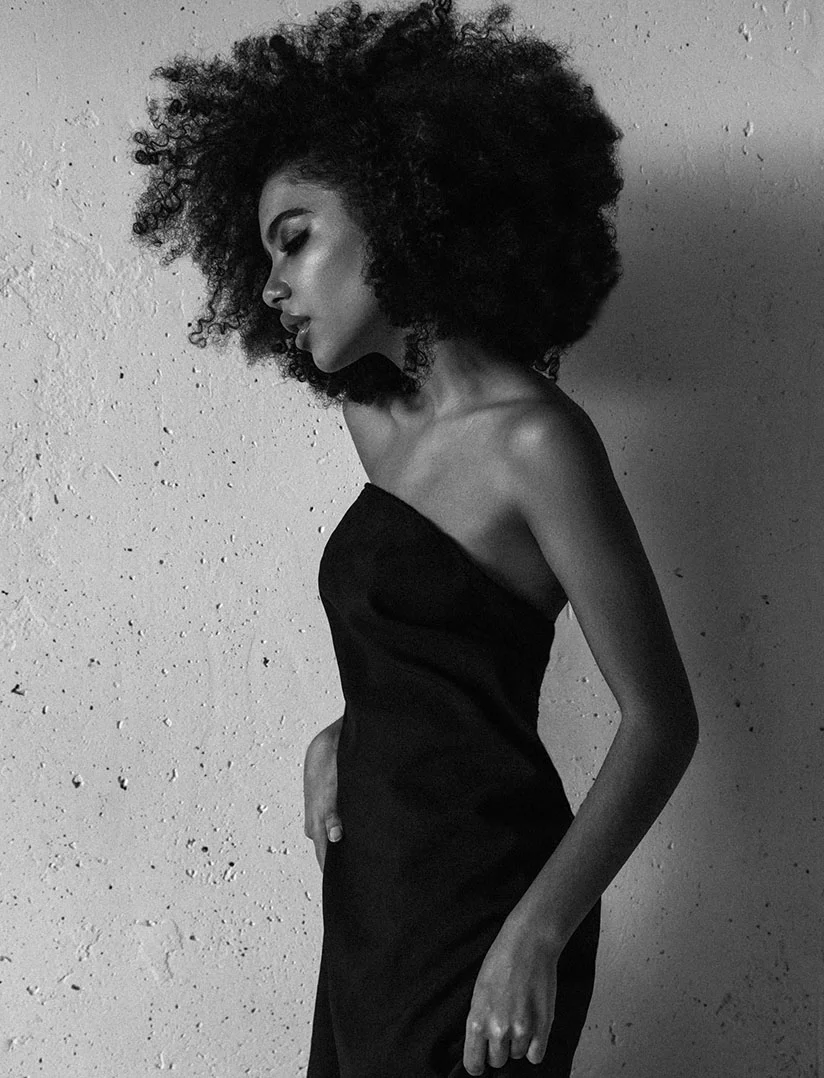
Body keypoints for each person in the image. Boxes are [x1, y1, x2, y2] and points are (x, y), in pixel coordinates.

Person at [129, 2, 699, 1074]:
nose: (268, 283)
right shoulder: (375, 422)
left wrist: (537, 932)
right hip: (372, 901)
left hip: (487, 905)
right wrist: (346, 725)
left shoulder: (536, 441)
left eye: (294, 238)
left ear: (398, 210)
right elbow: (425, 628)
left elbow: (661, 722)